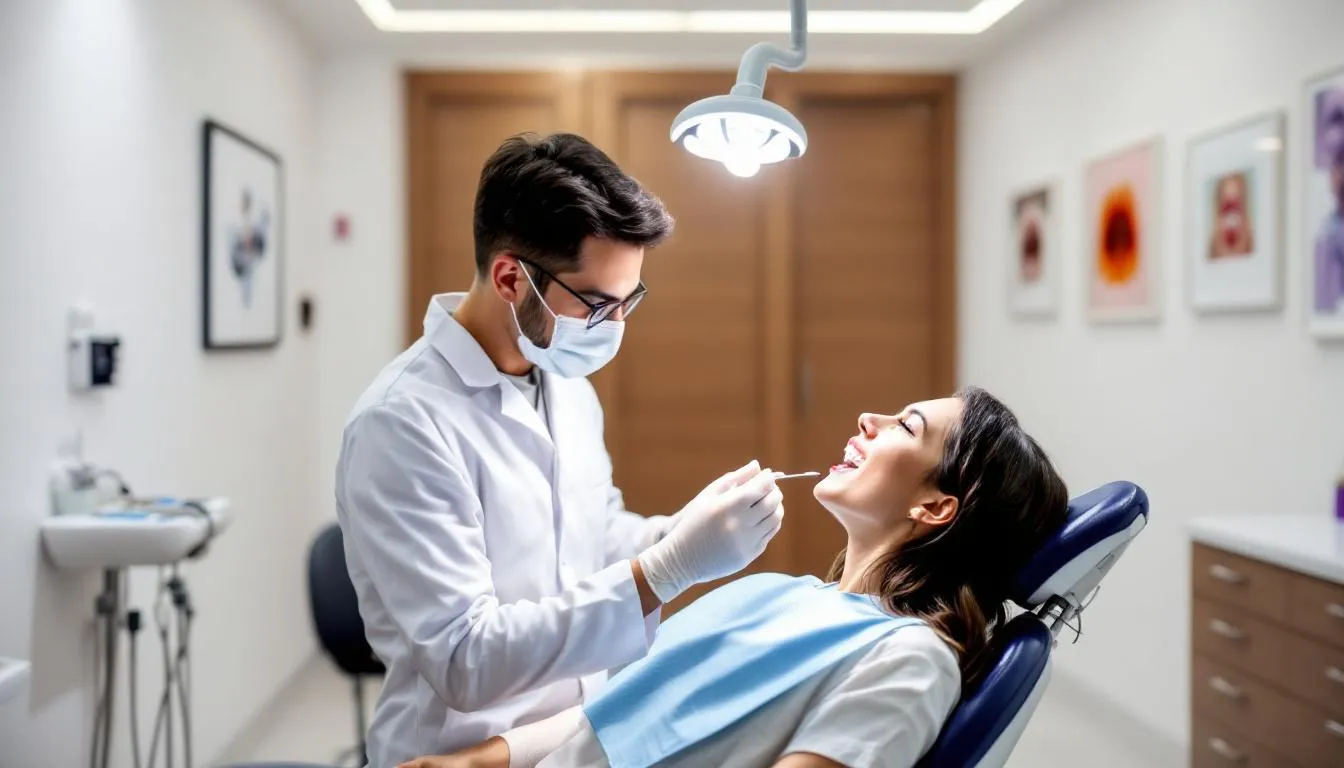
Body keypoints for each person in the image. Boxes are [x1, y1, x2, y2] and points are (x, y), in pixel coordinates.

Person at [335, 132, 787, 767]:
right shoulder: (402, 425)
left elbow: (593, 538)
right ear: (511, 277)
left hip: (574, 741)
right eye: (599, 306)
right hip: (453, 752)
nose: (617, 327)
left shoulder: (565, 386)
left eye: (630, 301)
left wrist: (681, 531)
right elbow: (467, 658)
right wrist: (668, 569)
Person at [399, 386, 1071, 768]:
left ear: (934, 507)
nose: (869, 417)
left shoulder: (912, 659)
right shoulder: (783, 594)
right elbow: (614, 715)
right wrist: (473, 760)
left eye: (906, 425)